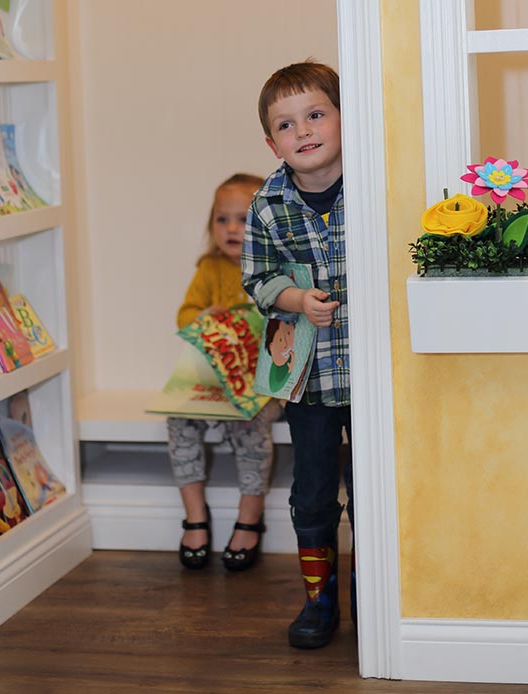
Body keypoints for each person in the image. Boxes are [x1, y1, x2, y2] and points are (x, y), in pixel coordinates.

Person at [242, 60, 352, 649]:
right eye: (286, 125)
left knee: (371, 488)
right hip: (309, 378)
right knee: (312, 492)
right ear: (271, 142)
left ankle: (377, 594)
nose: (303, 131)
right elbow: (257, 282)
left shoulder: (373, 181)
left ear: (343, 118)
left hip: (370, 375)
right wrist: (294, 297)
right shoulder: (267, 204)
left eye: (316, 115)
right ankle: (319, 599)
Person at [169, 173, 282, 572]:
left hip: (260, 384)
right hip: (215, 379)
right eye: (222, 219)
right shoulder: (210, 269)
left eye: (244, 219)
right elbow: (184, 317)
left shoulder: (274, 267)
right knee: (179, 418)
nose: (232, 229)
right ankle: (194, 516)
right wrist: (203, 317)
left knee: (251, 428)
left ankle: (249, 518)